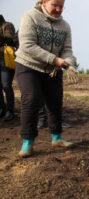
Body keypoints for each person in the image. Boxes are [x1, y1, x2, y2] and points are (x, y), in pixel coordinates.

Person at [15, 0, 76, 157]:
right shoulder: (30, 17)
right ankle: (28, 142)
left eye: (61, 6)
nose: (58, 9)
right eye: (54, 5)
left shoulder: (65, 26)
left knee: (55, 101)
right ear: (44, 2)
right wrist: (55, 59)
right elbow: (27, 45)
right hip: (29, 66)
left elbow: (67, 50)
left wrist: (69, 64)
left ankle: (57, 138)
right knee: (31, 99)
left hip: (52, 71)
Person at [0, 15, 17, 121]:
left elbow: (10, 39)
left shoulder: (7, 25)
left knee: (6, 86)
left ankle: (10, 111)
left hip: (5, 60)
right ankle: (2, 109)